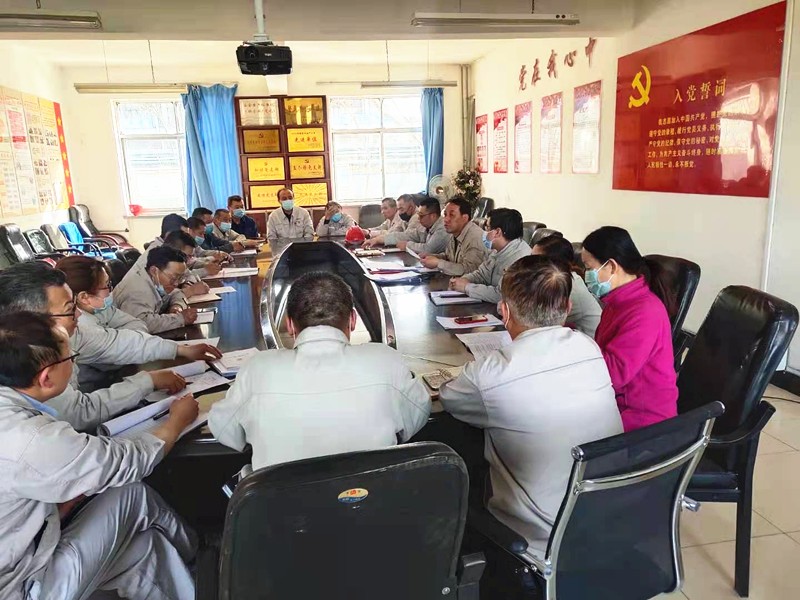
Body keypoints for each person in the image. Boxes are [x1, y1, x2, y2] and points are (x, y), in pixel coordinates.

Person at [0, 311, 199, 600]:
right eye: (71, 358)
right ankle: (200, 550)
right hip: (21, 585)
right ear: (46, 377)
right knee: (130, 493)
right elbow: (128, 461)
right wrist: (176, 422)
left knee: (140, 549)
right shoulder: (32, 438)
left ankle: (194, 581)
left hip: (23, 550)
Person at [439, 256, 622, 552]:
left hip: (535, 541)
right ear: (568, 308)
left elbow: (449, 398)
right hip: (605, 517)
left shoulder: (490, 374)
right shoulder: (588, 347)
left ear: (504, 311)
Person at [209, 271, 431, 470]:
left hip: (281, 503)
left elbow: (224, 429)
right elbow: (418, 412)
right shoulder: (384, 361)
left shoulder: (258, 369)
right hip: (374, 499)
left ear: (289, 325)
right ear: (353, 320)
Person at [0, 263, 188, 433]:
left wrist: (179, 350)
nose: (78, 314)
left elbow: (116, 343)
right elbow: (78, 414)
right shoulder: (27, 367)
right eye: (69, 309)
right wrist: (148, 384)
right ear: (30, 321)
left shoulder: (63, 333)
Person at [56, 256, 221, 391]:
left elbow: (138, 325)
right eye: (107, 286)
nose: (111, 291)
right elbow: (125, 345)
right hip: (98, 389)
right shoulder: (79, 326)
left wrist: (122, 337)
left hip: (119, 375)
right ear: (84, 297)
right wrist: (182, 350)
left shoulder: (99, 308)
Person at [581, 226, 678, 431]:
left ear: (611, 266)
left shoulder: (645, 312)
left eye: (589, 268)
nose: (586, 275)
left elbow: (614, 374)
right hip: (613, 402)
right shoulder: (617, 302)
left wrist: (575, 344)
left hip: (642, 419)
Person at [448, 208, 531, 303]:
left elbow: (502, 295)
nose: (484, 232)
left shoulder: (520, 259)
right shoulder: (497, 250)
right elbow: (482, 275)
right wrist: (464, 279)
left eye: (487, 227)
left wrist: (467, 287)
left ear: (497, 232)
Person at [114, 246, 199, 334]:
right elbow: (141, 324)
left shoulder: (155, 282)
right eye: (173, 278)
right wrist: (180, 319)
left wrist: (176, 306)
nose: (176, 283)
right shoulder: (137, 290)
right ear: (154, 271)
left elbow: (176, 293)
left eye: (180, 278)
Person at [533, 235, 602, 338]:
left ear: (554, 264)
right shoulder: (559, 280)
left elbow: (536, 322)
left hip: (586, 344)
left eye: (535, 261)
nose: (529, 264)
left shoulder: (570, 288)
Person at [419, 197, 487, 276]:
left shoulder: (475, 238)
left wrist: (438, 263)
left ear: (465, 218)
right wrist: (433, 257)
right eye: (445, 215)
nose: (446, 219)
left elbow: (469, 270)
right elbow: (449, 257)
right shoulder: (454, 232)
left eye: (452, 215)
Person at [364, 197, 447, 254]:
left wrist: (407, 245)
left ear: (433, 216)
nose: (419, 218)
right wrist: (378, 240)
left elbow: (428, 249)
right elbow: (407, 235)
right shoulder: (425, 226)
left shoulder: (442, 228)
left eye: (421, 215)